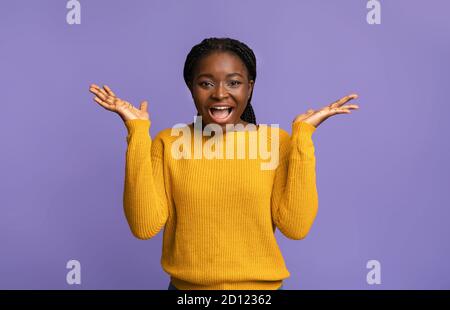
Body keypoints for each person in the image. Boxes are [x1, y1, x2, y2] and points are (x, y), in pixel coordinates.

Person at [88, 37, 359, 290]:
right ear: (191, 88)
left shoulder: (276, 142)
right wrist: (137, 133)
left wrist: (303, 138)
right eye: (206, 83)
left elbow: (296, 227)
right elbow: (143, 226)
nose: (220, 94)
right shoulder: (168, 143)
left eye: (233, 82)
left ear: (249, 87)